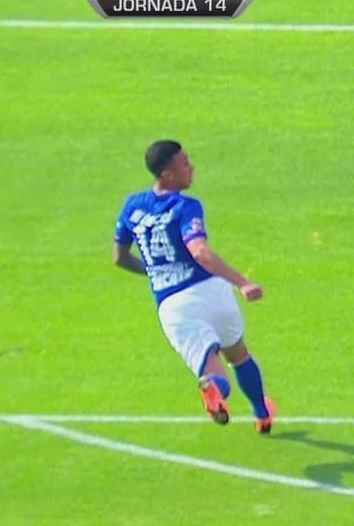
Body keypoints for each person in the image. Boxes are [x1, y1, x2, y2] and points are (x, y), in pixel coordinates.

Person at [112, 140, 276, 434]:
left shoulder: (131, 206)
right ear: (167, 174)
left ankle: (213, 391)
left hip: (174, 305)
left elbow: (119, 258)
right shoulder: (186, 206)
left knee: (212, 370)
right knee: (238, 355)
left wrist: (155, 272)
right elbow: (199, 252)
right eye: (184, 163)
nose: (191, 167)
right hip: (212, 291)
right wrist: (242, 282)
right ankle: (262, 414)